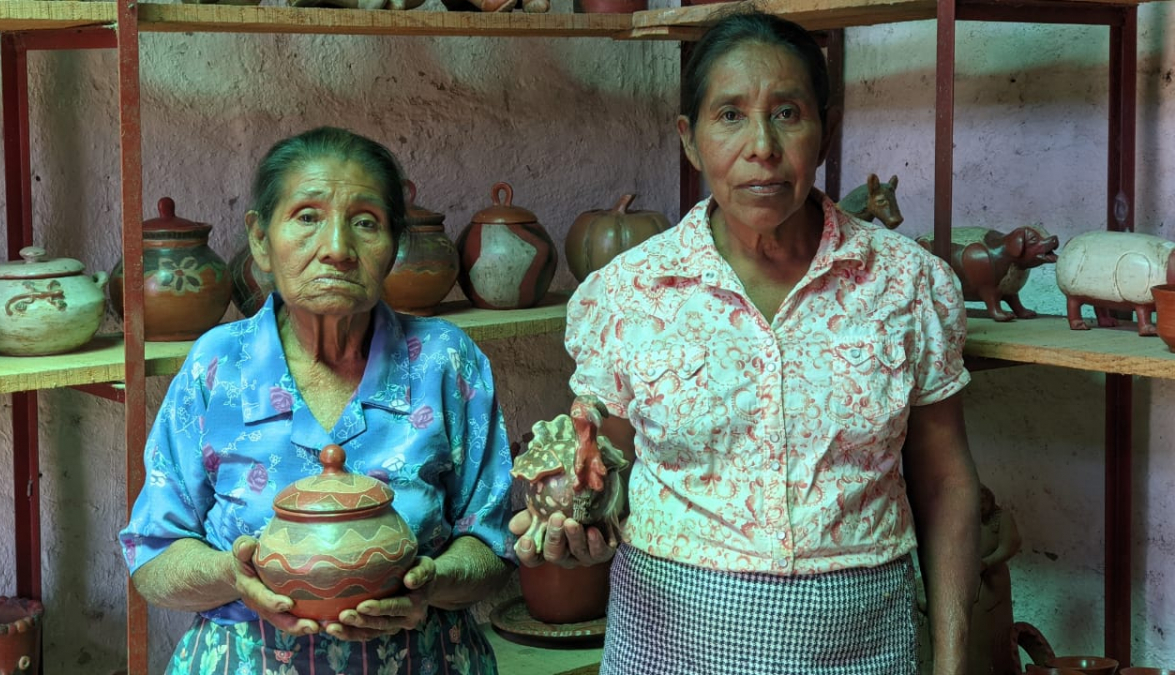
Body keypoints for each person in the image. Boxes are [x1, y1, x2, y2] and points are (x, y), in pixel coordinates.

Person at [511, 10, 982, 675]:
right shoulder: (631, 291)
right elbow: (600, 465)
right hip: (667, 644)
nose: (761, 144)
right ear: (691, 140)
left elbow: (944, 480)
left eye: (787, 113)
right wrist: (574, 524)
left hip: (863, 646)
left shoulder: (906, 284)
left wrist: (953, 661)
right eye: (729, 115)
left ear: (826, 131)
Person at [120, 126, 515, 674]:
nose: (336, 248)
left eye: (365, 223)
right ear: (260, 240)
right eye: (307, 217)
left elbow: (493, 547)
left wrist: (432, 584)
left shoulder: (445, 361)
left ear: (395, 244)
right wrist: (232, 576)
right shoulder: (219, 365)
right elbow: (154, 556)